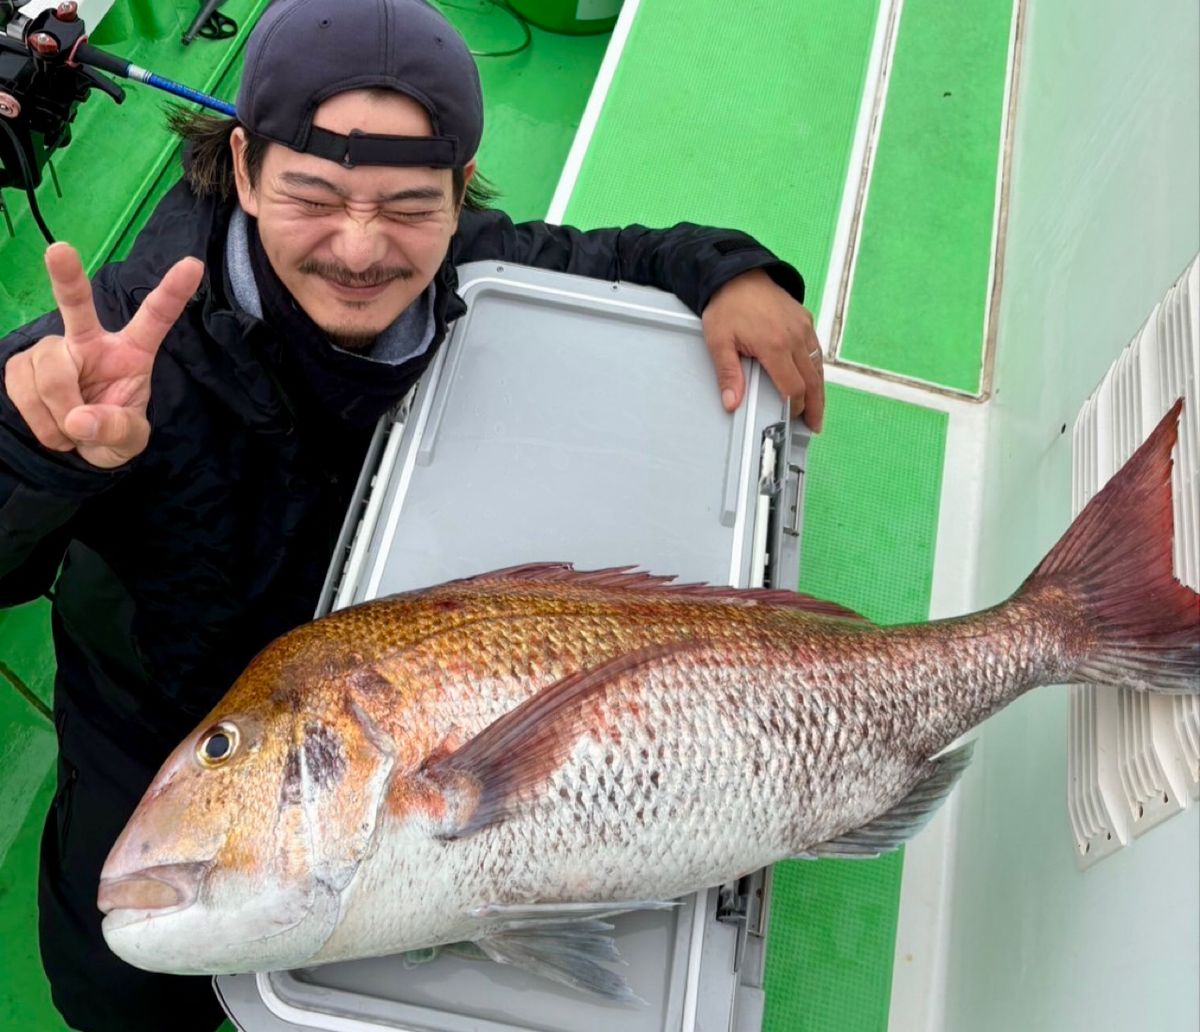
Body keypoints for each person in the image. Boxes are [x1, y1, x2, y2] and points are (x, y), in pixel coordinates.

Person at [0, 0, 824, 1029]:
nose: (360, 246)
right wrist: (33, 446)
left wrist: (725, 271)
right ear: (247, 168)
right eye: (314, 194)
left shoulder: (475, 263)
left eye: (408, 205)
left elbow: (615, 252)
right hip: (152, 719)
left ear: (456, 193)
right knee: (117, 990)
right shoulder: (115, 349)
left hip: (395, 705)